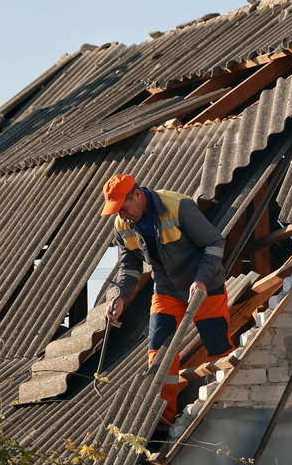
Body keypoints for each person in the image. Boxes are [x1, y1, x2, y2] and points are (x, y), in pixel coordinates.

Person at [100, 173, 235, 424]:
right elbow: (129, 268)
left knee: (218, 349)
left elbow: (215, 243)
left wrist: (202, 280)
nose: (122, 215)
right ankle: (163, 423)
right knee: (158, 356)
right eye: (116, 211)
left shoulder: (178, 206)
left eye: (123, 208)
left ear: (137, 195)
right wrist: (120, 297)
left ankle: (229, 410)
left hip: (206, 286)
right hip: (166, 290)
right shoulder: (122, 226)